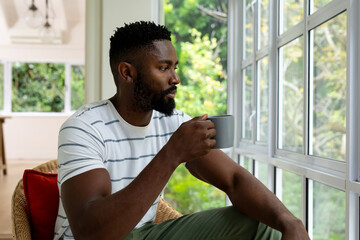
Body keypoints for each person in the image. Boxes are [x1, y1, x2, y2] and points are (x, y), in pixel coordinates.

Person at [54, 21, 310, 240]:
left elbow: (234, 180)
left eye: (174, 67)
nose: (175, 78)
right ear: (127, 73)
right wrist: (172, 153)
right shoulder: (83, 128)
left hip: (145, 234)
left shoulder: (172, 122)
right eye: (164, 68)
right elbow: (90, 233)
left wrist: (290, 221)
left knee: (265, 222)